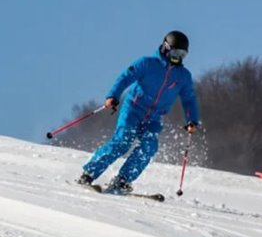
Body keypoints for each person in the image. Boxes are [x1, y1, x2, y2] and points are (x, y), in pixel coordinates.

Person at [77, 31, 200, 194]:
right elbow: (125, 77)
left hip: (154, 117)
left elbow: (189, 99)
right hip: (133, 109)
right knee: (123, 141)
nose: (178, 57)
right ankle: (88, 174)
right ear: (166, 48)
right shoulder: (148, 63)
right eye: (175, 52)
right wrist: (113, 95)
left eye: (182, 54)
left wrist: (192, 120)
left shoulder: (183, 76)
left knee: (149, 146)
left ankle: (122, 181)